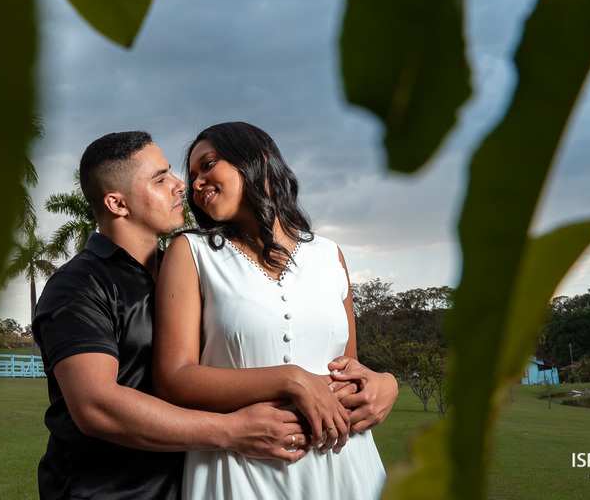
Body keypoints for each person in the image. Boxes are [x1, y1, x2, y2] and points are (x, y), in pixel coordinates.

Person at [32, 131, 316, 500]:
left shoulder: (185, 273)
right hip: (103, 492)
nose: (182, 185)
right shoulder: (77, 285)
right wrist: (233, 430)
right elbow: (96, 406)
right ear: (118, 205)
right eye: (160, 178)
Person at [154, 121, 397, 499]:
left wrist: (382, 385)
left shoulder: (330, 255)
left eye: (208, 164)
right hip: (238, 469)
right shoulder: (191, 253)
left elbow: (348, 367)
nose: (196, 183)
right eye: (193, 175)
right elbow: (174, 378)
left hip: (344, 464)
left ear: (259, 160)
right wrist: (290, 379)